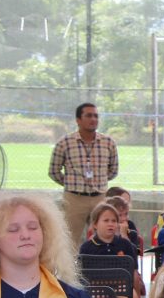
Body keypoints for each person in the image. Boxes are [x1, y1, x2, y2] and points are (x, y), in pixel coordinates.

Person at [49, 103, 119, 247]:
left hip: (100, 198)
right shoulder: (65, 143)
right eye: (88, 115)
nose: (93, 119)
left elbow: (113, 171)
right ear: (78, 120)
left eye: (96, 116)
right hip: (74, 199)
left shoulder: (108, 143)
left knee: (104, 239)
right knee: (69, 241)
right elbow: (54, 172)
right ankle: (70, 270)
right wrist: (71, 184)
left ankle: (99, 266)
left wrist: (98, 182)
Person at [79, 201, 143, 298]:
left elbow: (134, 273)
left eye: (114, 221)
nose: (111, 224)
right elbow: (82, 276)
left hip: (120, 286)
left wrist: (137, 295)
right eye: (106, 220)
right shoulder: (86, 247)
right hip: (96, 287)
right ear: (95, 224)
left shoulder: (125, 244)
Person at [106, 186, 142, 252]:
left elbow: (133, 255)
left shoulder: (130, 228)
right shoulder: (102, 229)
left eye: (128, 202)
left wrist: (124, 235)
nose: (126, 204)